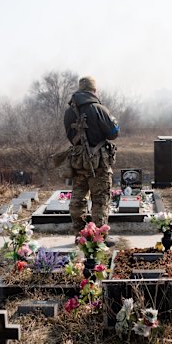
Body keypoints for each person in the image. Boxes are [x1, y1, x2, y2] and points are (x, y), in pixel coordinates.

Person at [64, 76, 119, 244]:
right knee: (100, 199)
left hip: (78, 162)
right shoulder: (98, 108)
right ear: (94, 90)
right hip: (99, 163)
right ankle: (99, 238)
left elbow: (70, 136)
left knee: (78, 200)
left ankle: (80, 236)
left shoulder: (69, 112)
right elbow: (113, 133)